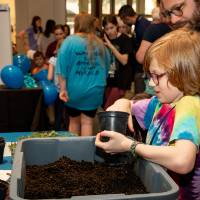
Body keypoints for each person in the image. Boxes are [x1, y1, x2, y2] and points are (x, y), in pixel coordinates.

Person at [95, 28, 200, 200]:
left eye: (157, 75)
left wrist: (130, 146)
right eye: (150, 75)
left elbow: (183, 161)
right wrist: (123, 104)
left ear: (183, 72)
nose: (151, 83)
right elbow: (128, 103)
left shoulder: (189, 105)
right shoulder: (161, 103)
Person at [56, 13, 111, 136]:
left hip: (74, 90)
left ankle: (73, 153)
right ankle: (86, 153)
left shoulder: (68, 42)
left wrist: (63, 89)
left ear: (76, 24)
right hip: (95, 89)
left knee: (74, 122)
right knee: (88, 123)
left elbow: (61, 68)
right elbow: (106, 68)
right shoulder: (100, 44)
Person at [102, 15, 134, 110]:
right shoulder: (103, 40)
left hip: (121, 81)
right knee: (109, 109)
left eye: (112, 27)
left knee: (108, 108)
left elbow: (124, 61)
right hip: (108, 80)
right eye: (107, 29)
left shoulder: (125, 39)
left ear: (117, 26)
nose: (110, 31)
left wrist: (110, 46)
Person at [118, 5, 151, 94]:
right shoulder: (139, 24)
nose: (124, 23)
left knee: (140, 96)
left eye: (123, 20)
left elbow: (147, 48)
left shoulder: (142, 26)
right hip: (141, 67)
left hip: (143, 68)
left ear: (127, 17)